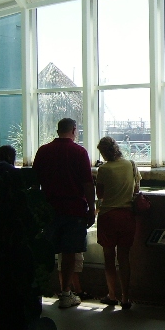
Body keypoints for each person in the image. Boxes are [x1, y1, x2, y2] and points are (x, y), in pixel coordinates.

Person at [33, 119, 95, 309]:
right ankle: (66, 293)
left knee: (44, 251)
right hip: (74, 209)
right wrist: (92, 208)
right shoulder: (79, 152)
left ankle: (38, 289)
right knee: (69, 253)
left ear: (57, 130)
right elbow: (87, 183)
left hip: (49, 210)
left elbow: (35, 182)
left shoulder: (43, 151)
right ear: (74, 131)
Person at [95, 136, 140, 309]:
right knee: (124, 258)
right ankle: (126, 298)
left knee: (109, 258)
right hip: (127, 217)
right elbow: (136, 189)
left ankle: (112, 295)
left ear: (104, 152)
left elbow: (100, 195)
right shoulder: (131, 164)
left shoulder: (104, 170)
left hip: (108, 217)